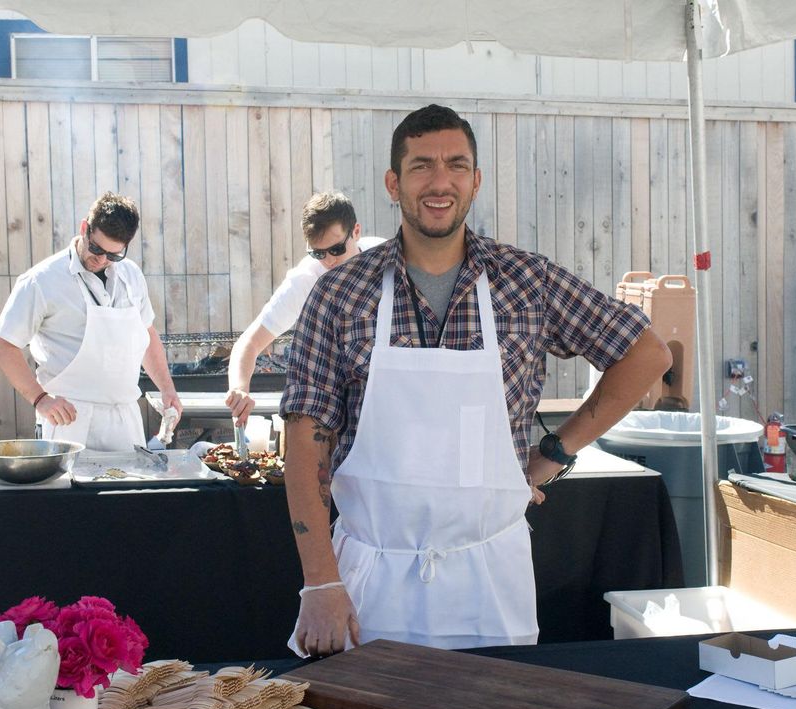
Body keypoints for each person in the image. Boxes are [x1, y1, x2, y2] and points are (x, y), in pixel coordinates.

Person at [280, 105, 672, 658]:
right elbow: (305, 444)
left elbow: (645, 354)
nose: (440, 182)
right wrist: (320, 583)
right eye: (421, 166)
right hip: (369, 579)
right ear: (393, 183)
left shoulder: (526, 282)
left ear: (476, 180)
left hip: (491, 580)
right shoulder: (341, 294)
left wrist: (555, 452)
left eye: (456, 165)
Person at [0, 192, 182, 451]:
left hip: (124, 421)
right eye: (96, 249)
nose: (102, 260)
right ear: (85, 228)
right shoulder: (41, 281)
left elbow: (146, 335)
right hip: (68, 421)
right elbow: (3, 346)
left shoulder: (132, 275)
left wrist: (167, 389)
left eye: (113, 255)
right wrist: (40, 399)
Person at [225, 192, 384, 426]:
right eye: (318, 253)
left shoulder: (384, 258)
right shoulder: (305, 280)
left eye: (336, 249)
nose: (329, 261)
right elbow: (249, 343)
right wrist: (239, 389)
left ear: (356, 232)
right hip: (330, 398)